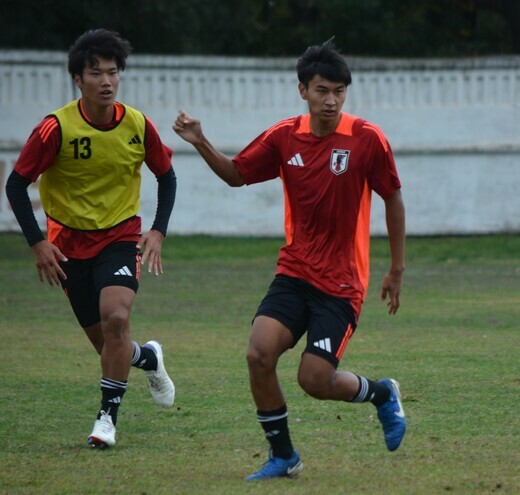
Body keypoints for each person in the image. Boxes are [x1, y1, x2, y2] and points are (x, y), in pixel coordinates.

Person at [173, 38, 406, 480]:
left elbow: (393, 198)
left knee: (314, 380)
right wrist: (200, 141)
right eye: (322, 90)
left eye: (339, 91)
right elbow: (237, 174)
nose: (331, 100)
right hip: (295, 271)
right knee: (258, 355)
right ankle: (283, 457)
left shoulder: (366, 139)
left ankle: (381, 394)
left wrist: (397, 268)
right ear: (303, 91)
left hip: (341, 281)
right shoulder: (285, 137)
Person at [5, 29, 177, 447]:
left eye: (113, 72)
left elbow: (166, 176)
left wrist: (156, 230)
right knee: (107, 343)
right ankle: (148, 357)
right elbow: (16, 185)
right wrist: (37, 242)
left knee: (117, 318)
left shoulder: (137, 125)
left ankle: (106, 419)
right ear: (78, 80)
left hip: (119, 237)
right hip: (68, 247)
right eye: (95, 73)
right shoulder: (55, 128)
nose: (106, 81)